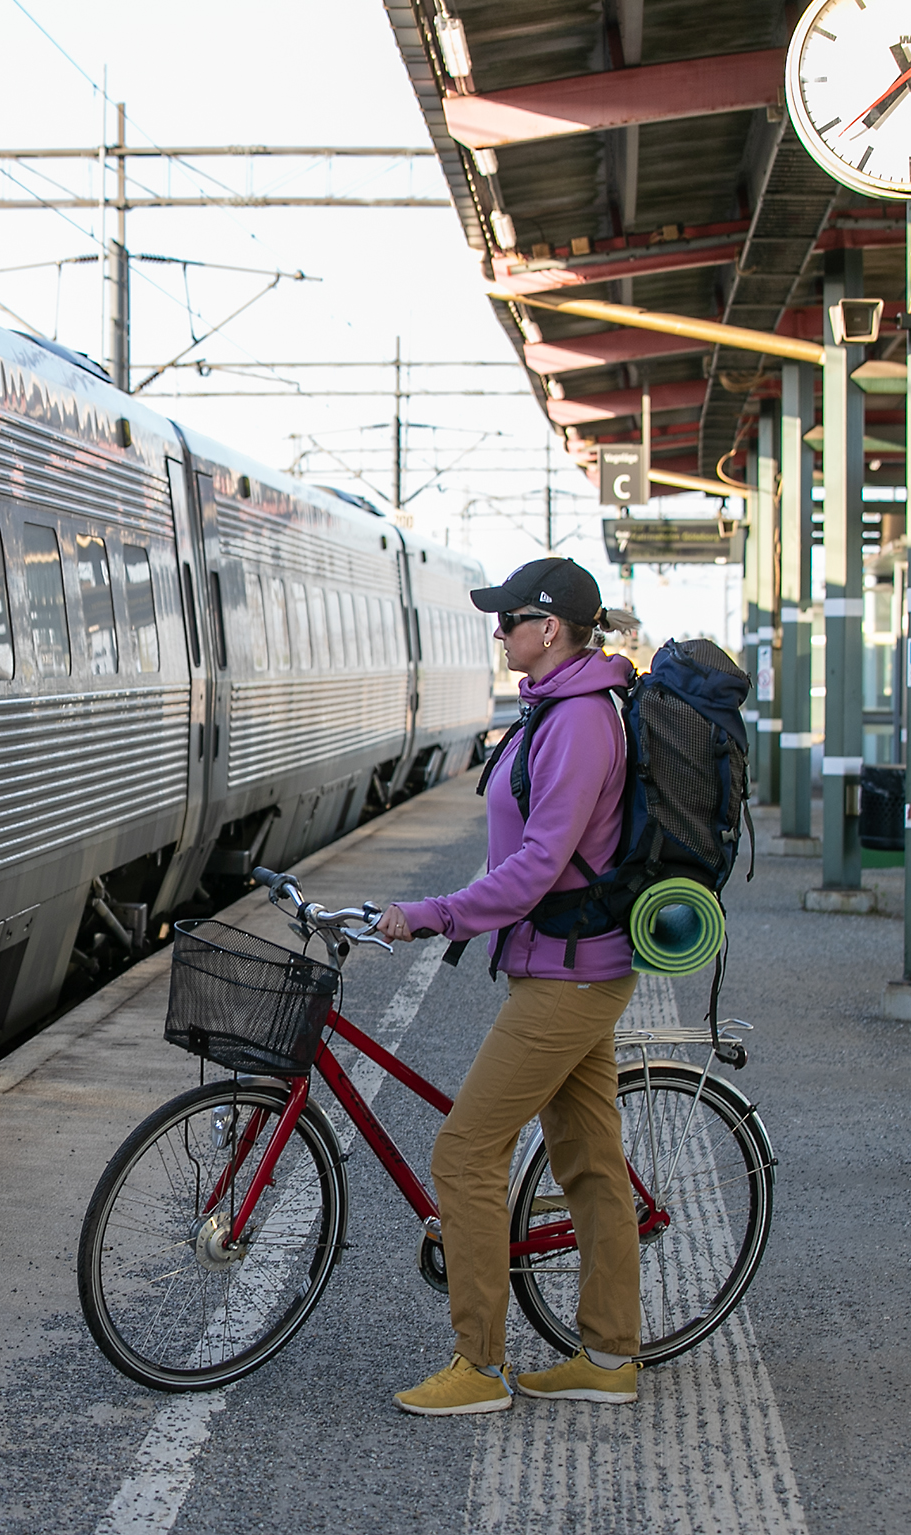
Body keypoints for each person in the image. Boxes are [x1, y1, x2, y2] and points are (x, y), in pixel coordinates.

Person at [374, 556, 643, 1417]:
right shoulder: (560, 709)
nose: (498, 631)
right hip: (570, 966)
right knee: (592, 1163)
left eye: (509, 619)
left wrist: (434, 913)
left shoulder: (580, 723)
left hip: (568, 977)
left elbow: (534, 868)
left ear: (551, 628)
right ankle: (608, 1354)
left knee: (465, 1151)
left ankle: (478, 1367)